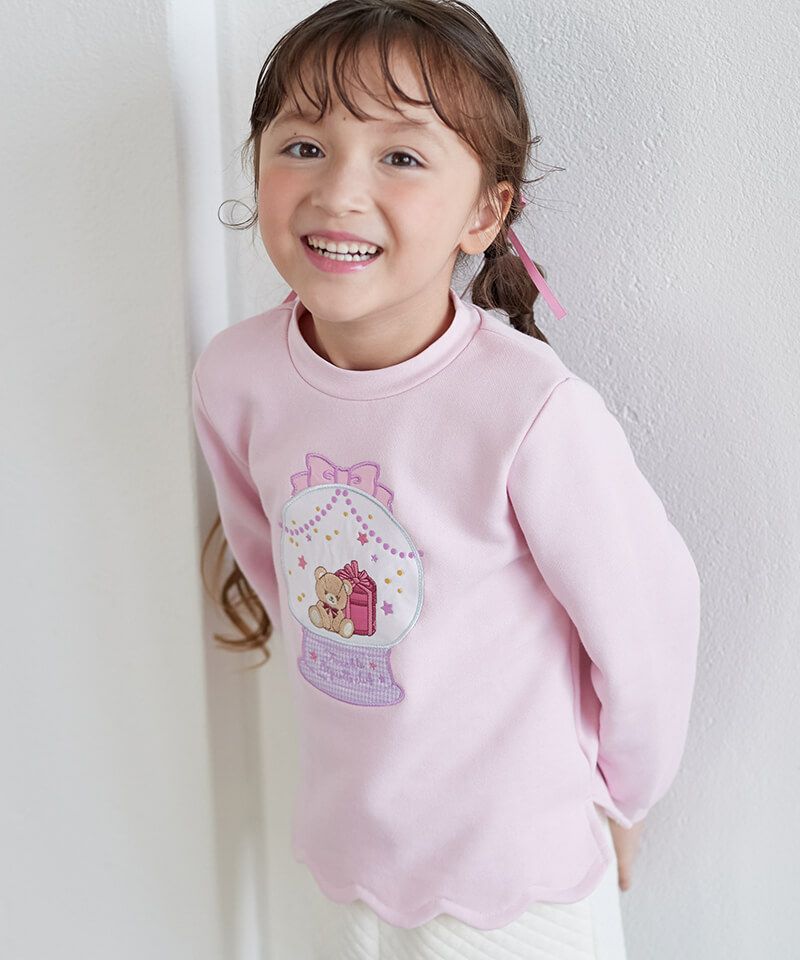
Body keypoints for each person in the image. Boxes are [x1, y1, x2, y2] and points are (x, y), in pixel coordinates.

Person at [190, 1, 701, 956]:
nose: (339, 191)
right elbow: (278, 571)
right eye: (303, 146)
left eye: (400, 155)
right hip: (349, 850)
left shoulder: (528, 409)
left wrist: (625, 793)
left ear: (485, 212)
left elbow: (648, 622)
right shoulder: (236, 375)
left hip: (514, 876)